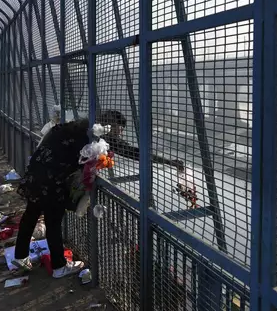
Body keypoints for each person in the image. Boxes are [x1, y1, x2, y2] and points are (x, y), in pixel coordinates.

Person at [12, 110, 183, 277]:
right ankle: (59, 266)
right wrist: (169, 162)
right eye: (120, 129)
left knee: (31, 213)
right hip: (53, 179)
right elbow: (134, 152)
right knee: (53, 221)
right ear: (111, 125)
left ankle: (20, 256)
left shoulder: (78, 127)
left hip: (37, 171)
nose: (120, 133)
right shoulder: (96, 138)